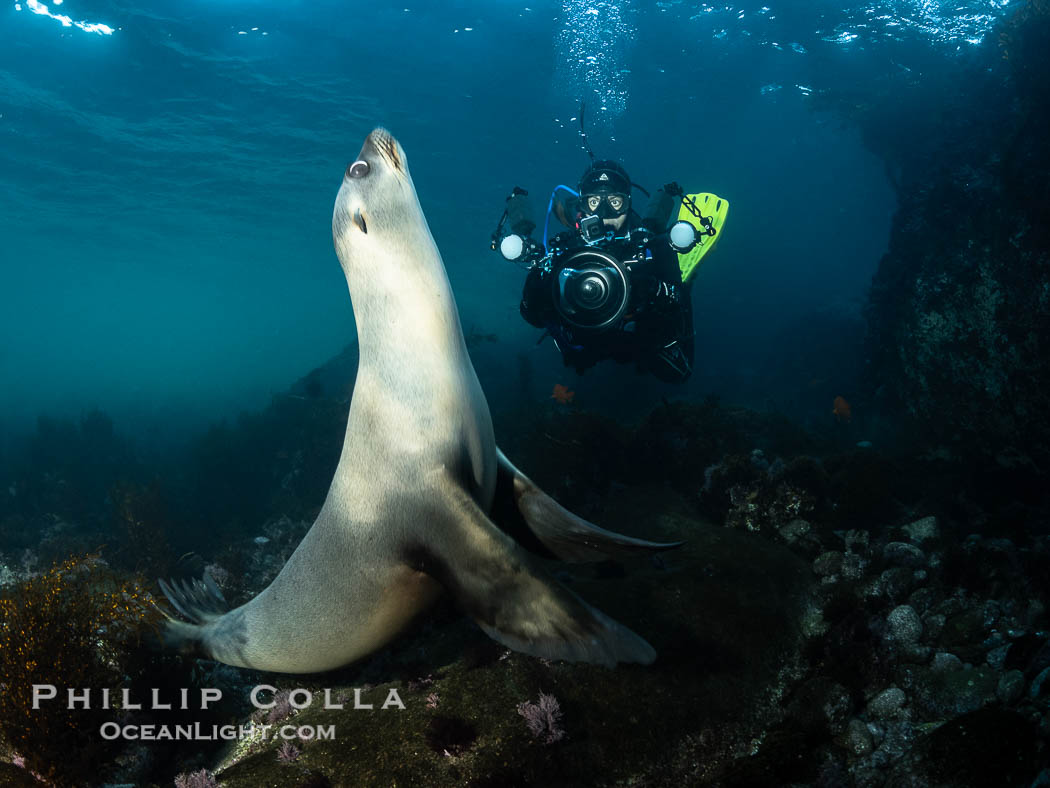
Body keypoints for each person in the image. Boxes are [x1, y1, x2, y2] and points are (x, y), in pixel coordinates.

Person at [513, 160, 696, 383]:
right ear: (581, 206)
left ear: (627, 204)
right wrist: (535, 289)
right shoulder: (565, 252)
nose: (604, 212)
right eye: (593, 202)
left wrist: (653, 292)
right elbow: (534, 318)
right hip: (582, 349)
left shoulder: (651, 249)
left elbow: (680, 370)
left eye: (616, 202)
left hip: (640, 347)